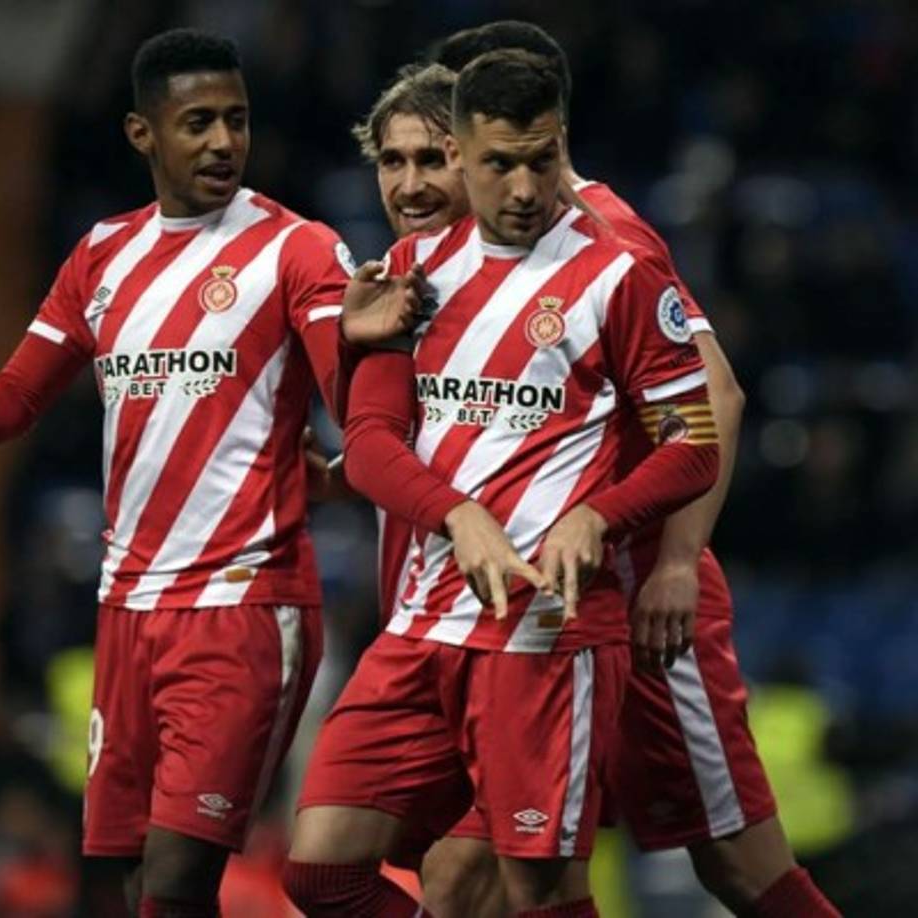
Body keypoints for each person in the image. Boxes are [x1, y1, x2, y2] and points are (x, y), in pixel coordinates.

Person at [0, 28, 402, 918]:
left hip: (241, 606)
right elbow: (8, 402)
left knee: (174, 883)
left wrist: (362, 345)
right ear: (140, 134)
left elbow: (353, 402)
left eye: (236, 120)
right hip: (127, 616)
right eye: (196, 122)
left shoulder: (297, 249)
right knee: (108, 883)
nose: (223, 142)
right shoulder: (101, 256)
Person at [346, 20, 839, 918]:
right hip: (509, 615)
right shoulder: (448, 266)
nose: (434, 162)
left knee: (734, 862)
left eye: (449, 134)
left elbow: (714, 400)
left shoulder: (608, 241)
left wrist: (679, 563)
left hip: (625, 596)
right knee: (473, 876)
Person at [282, 49, 720, 917]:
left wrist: (599, 514)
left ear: (563, 149)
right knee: (321, 871)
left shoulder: (617, 275)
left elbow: (695, 441)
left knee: (539, 890)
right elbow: (369, 446)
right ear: (464, 157)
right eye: (497, 164)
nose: (522, 188)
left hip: (547, 635)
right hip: (420, 626)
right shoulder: (410, 271)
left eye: (540, 160)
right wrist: (461, 519)